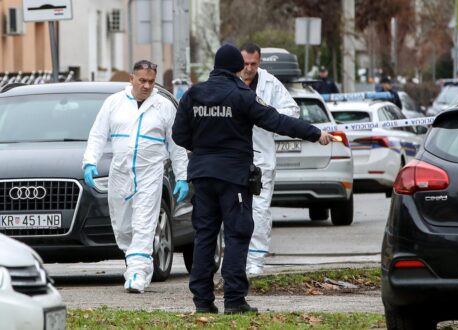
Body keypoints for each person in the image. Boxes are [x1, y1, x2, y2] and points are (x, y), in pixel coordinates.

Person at [172, 44, 334, 314]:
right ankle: (234, 300)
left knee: (204, 237)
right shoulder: (242, 94)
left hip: (201, 176)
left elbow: (179, 135)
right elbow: (277, 121)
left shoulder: (193, 94)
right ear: (237, 68)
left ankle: (202, 302)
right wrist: (314, 133)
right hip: (233, 177)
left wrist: (202, 149)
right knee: (237, 234)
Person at [82, 60, 189, 293]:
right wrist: (90, 161)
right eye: (142, 80)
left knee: (144, 223)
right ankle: (137, 262)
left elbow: (177, 144)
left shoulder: (163, 106)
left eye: (151, 81)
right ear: (131, 79)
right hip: (120, 173)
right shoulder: (114, 103)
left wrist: (182, 176)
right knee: (122, 227)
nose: (147, 85)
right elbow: (98, 134)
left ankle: (137, 275)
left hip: (150, 172)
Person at [239, 43, 299, 275]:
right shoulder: (230, 80)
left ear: (259, 62)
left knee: (259, 210)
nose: (249, 68)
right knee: (235, 210)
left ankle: (256, 259)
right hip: (234, 157)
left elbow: (292, 111)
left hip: (261, 157)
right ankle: (238, 257)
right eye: (245, 64)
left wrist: (266, 116)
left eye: (254, 64)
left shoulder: (270, 83)